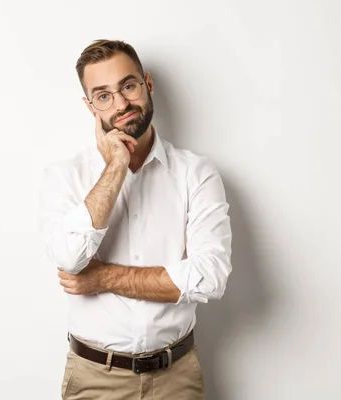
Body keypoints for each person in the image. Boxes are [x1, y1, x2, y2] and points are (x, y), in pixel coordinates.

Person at [38, 39, 232, 400]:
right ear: (89, 106)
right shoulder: (64, 176)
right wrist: (116, 166)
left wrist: (102, 277)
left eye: (128, 86)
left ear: (148, 84)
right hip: (95, 379)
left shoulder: (196, 174)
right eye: (104, 95)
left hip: (178, 376)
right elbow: (69, 258)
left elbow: (210, 278)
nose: (122, 104)